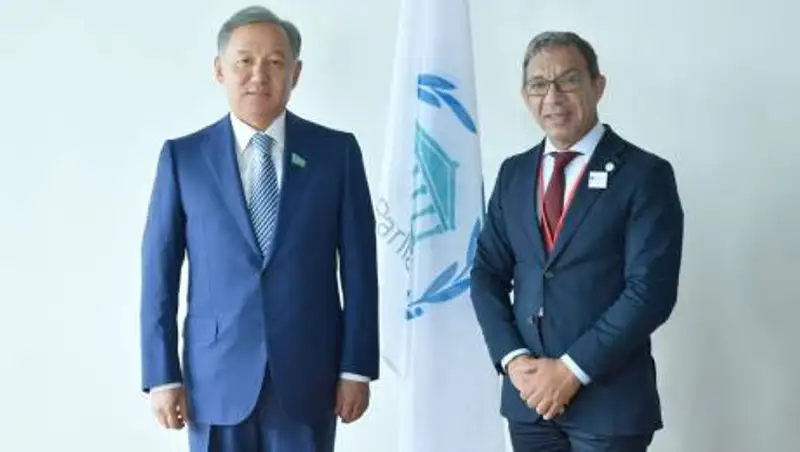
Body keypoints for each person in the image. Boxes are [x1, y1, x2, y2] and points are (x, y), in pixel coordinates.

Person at [139, 6, 379, 452]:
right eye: (244, 61)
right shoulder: (183, 158)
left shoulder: (336, 153)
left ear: (295, 73)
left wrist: (356, 367)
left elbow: (361, 270)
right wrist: (162, 375)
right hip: (215, 378)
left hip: (310, 377)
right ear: (219, 70)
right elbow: (159, 274)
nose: (258, 75)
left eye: (274, 62)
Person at [470, 31, 684, 452]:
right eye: (538, 84)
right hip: (529, 403)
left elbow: (650, 292)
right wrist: (513, 360)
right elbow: (486, 274)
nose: (553, 97)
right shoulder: (513, 174)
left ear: (597, 85)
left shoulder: (644, 174)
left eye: (568, 80)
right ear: (525, 95)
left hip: (609, 404)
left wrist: (571, 371)